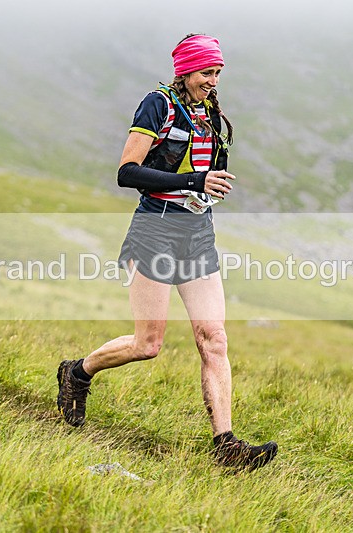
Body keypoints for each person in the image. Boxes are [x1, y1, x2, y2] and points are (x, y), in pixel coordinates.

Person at [57, 34, 278, 471]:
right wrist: (195, 183)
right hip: (154, 231)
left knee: (213, 338)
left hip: (197, 233)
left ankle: (226, 446)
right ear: (186, 71)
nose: (213, 82)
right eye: (206, 73)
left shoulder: (210, 113)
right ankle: (78, 372)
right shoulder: (157, 104)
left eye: (217, 74)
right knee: (148, 344)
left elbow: (203, 165)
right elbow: (127, 173)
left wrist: (207, 186)